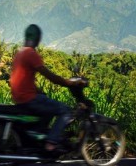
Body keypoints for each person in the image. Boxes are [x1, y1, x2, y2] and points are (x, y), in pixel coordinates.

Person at [9, 24, 85, 153]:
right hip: (29, 99)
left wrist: (38, 90)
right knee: (65, 111)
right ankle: (51, 143)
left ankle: (39, 137)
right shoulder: (31, 53)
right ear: (38, 39)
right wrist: (69, 83)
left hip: (19, 98)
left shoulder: (19, 53)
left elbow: (21, 79)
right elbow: (50, 76)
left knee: (45, 100)